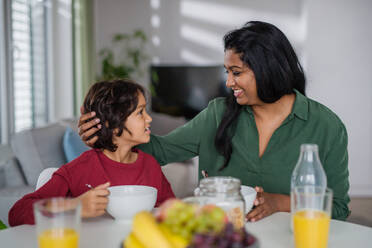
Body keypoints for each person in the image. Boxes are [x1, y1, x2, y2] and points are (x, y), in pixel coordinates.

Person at [78, 21, 350, 222]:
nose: (229, 82)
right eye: (227, 72)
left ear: (268, 70)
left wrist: (279, 202)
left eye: (236, 72)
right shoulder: (217, 114)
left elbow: (337, 209)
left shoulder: (326, 127)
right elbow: (159, 151)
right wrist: (108, 135)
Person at [8, 79, 175, 226]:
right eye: (140, 112)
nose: (149, 118)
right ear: (113, 124)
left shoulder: (150, 165)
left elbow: (173, 212)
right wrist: (75, 205)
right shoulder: (81, 168)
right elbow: (16, 214)